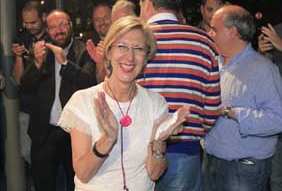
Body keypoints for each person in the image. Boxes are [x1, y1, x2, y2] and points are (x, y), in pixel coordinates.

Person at [58, 16, 190, 191]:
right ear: (109, 51)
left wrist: (159, 140)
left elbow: (155, 174)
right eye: (122, 47)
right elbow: (83, 173)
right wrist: (108, 139)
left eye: (138, 49)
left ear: (147, 57)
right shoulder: (83, 100)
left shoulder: (155, 103)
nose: (130, 57)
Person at [138, 0, 221, 190]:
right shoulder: (204, 42)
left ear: (147, 2)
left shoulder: (136, 41)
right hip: (186, 151)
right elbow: (211, 111)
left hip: (140, 152)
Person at [205, 5, 282, 191]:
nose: (210, 33)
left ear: (233, 32)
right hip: (211, 161)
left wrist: (229, 112)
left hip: (243, 168)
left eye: (215, 29)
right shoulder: (213, 65)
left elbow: (276, 121)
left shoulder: (262, 70)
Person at [19, 10, 97, 191]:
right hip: (44, 132)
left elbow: (89, 83)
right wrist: (37, 64)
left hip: (74, 133)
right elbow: (25, 85)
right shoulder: (41, 50)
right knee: (42, 184)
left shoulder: (84, 50)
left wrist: (65, 64)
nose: (58, 31)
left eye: (62, 25)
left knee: (76, 184)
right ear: (48, 30)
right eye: (53, 27)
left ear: (70, 25)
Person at [258, 0, 282, 190]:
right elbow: (266, 73)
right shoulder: (279, 29)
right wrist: (263, 54)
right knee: (279, 181)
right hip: (279, 120)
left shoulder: (281, 37)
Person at [11, 1, 49, 164]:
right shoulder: (23, 38)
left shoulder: (52, 38)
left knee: (50, 156)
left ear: (43, 17)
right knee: (27, 153)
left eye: (33, 22)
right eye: (26, 23)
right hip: (27, 107)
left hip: (48, 108)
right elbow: (18, 80)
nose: (29, 26)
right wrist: (19, 57)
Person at [86, 3, 112, 83]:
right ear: (93, 23)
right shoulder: (88, 47)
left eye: (106, 18)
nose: (102, 22)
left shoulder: (123, 43)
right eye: (97, 19)